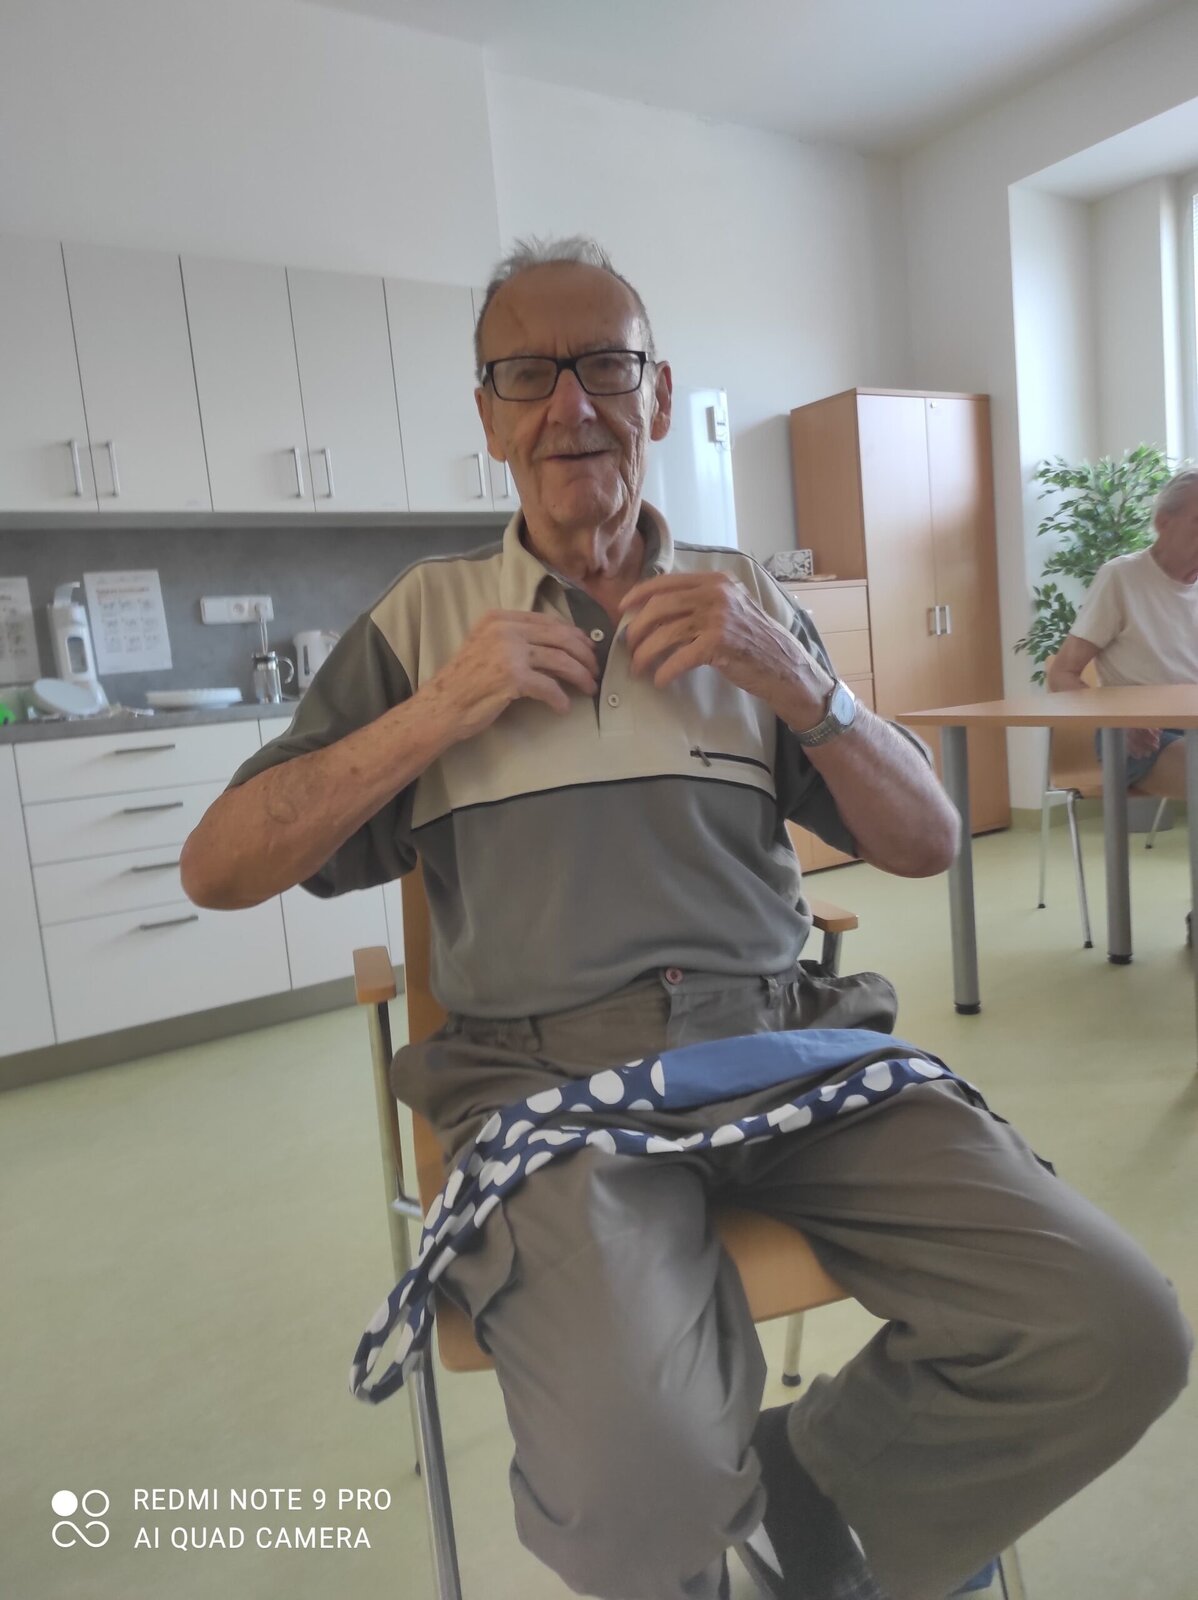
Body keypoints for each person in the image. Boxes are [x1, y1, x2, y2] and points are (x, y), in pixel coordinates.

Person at [181, 238, 1190, 1600]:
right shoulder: (427, 622)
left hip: (790, 1049)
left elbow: (927, 840)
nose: (570, 405)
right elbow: (220, 867)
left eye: (606, 365)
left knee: (1113, 1327)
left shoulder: (744, 602)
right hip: (551, 1087)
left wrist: (799, 683)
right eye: (526, 374)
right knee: (638, 1487)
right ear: (487, 414)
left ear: (656, 396)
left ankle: (808, 1492)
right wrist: (439, 712)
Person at [1047, 466, 1198, 798]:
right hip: (1137, 735)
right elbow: (1061, 674)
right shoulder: (1122, 577)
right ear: (1163, 522)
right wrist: (1117, 721)